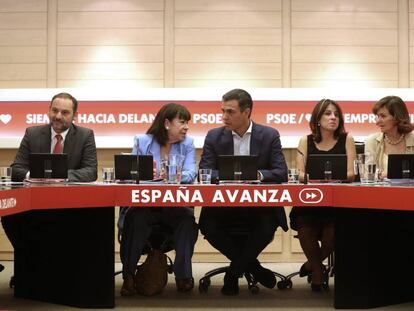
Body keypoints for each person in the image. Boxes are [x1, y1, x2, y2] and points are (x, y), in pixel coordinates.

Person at [198, 88, 288, 295]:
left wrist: (257, 175)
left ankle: (233, 273)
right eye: (223, 111)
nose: (224, 117)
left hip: (259, 205)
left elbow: (280, 172)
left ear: (247, 112)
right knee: (209, 226)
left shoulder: (269, 135)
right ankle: (253, 268)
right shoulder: (213, 136)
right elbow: (205, 171)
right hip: (223, 205)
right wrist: (230, 177)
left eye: (230, 112)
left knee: (266, 226)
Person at [1, 92, 97, 277]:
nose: (58, 116)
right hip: (33, 204)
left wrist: (59, 177)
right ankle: (30, 261)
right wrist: (35, 175)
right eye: (54, 110)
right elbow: (17, 167)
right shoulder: (32, 133)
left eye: (65, 112)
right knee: (10, 217)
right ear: (48, 110)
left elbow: (90, 171)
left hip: (69, 204)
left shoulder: (85, 135)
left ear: (74, 115)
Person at [120, 103, 198, 296]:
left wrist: (163, 174)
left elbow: (190, 174)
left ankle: (183, 276)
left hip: (173, 206)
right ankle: (128, 276)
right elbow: (131, 174)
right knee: (135, 218)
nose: (186, 127)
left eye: (187, 122)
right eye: (182, 122)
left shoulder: (187, 144)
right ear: (166, 123)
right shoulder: (142, 141)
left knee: (187, 219)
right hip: (145, 205)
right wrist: (169, 177)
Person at [290, 99, 356, 291]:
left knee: (332, 234)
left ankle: (312, 265)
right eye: (327, 113)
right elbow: (300, 174)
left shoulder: (347, 139)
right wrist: (317, 179)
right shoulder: (306, 140)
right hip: (311, 200)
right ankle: (319, 271)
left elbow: (351, 174)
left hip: (337, 202)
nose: (333, 117)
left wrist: (327, 178)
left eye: (336, 114)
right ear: (317, 119)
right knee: (305, 230)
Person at [365, 96, 414, 178]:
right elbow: (368, 175)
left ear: (397, 117)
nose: (378, 122)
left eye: (383, 116)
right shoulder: (372, 141)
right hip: (380, 190)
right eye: (377, 116)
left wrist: (386, 174)